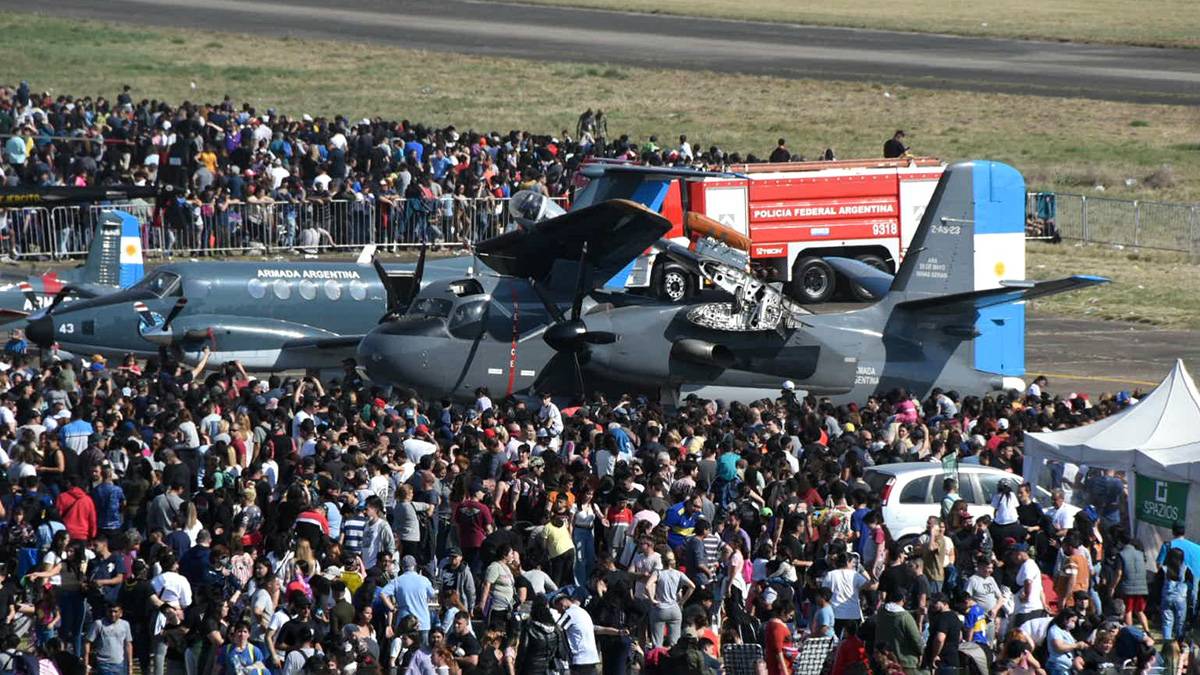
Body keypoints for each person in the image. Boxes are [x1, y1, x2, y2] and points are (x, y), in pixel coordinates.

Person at [647, 549, 695, 648]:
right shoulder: (678, 574)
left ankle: (657, 661)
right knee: (675, 643)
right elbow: (692, 586)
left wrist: (652, 599)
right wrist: (682, 601)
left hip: (660, 608)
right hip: (674, 608)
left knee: (657, 643)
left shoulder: (658, 573)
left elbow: (647, 586)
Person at [552, 587, 601, 675]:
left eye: (558, 609)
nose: (559, 612)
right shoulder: (583, 612)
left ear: (562, 603)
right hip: (592, 658)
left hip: (579, 660)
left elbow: (556, 628)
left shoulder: (569, 613)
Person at [83, 603, 133, 675]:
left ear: (121, 613)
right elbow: (87, 642)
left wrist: (130, 666)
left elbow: (128, 644)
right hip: (103, 664)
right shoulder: (99, 624)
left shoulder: (125, 625)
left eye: (115, 612)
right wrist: (86, 663)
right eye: (110, 611)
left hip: (120, 664)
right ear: (106, 612)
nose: (113, 614)